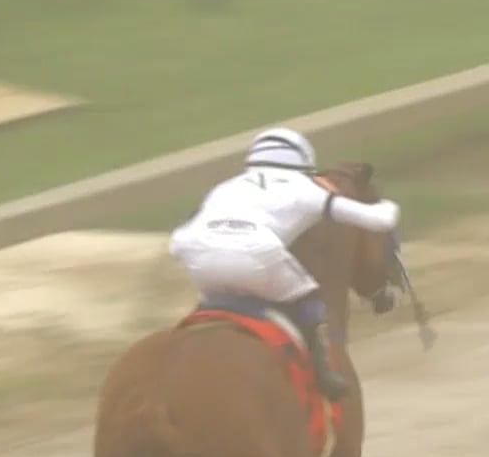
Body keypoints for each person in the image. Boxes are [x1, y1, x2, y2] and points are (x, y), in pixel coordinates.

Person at [168, 127, 400, 401]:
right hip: (256, 254)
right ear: (303, 161)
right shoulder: (304, 189)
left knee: (212, 301)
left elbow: (182, 233)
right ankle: (324, 372)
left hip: (196, 253)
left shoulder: (225, 187)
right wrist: (385, 204)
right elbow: (379, 220)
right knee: (308, 296)